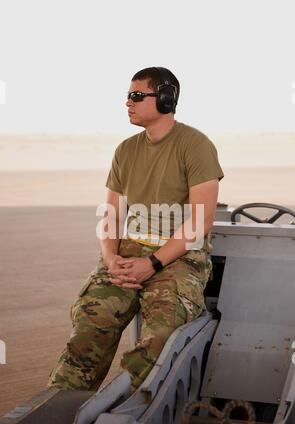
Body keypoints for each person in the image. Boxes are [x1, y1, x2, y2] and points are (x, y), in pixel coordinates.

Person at [47, 67, 224, 392]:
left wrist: (152, 264)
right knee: (90, 324)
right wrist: (111, 258)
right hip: (128, 253)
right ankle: (53, 421)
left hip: (178, 258)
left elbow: (200, 222)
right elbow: (111, 215)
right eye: (128, 96)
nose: (128, 102)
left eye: (137, 96)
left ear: (166, 99)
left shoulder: (195, 145)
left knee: (161, 336)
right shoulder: (125, 151)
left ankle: (127, 413)